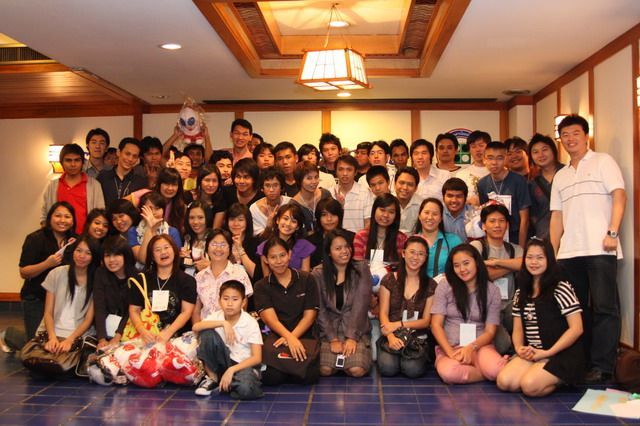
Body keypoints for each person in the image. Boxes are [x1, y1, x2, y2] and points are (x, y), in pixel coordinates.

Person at [549, 114, 626, 384]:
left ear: (586, 135)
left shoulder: (603, 161)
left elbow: (619, 195)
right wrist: (553, 251)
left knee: (605, 308)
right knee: (576, 310)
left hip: (601, 248)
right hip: (569, 253)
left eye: (575, 133)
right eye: (565, 135)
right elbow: (556, 216)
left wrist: (612, 232)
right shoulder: (561, 175)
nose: (570, 139)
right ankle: (580, 363)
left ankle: (602, 366)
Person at [497, 238, 584, 397]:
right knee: (505, 382)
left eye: (540, 258)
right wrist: (519, 348)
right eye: (529, 257)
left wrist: (548, 352)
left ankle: (562, 379)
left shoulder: (561, 288)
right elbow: (518, 329)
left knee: (529, 386)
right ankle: (537, 371)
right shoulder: (521, 292)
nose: (534, 262)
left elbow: (577, 329)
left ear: (549, 260)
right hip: (534, 352)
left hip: (560, 353)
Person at [23, 236, 100, 376]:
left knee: (64, 363)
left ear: (93, 257)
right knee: (28, 356)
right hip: (52, 331)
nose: (82, 256)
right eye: (79, 250)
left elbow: (88, 320)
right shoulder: (57, 273)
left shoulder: (97, 280)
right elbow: (48, 312)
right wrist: (52, 338)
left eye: (88, 253)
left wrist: (70, 340)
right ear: (73, 251)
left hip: (77, 336)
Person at [431, 244, 507, 384]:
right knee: (449, 373)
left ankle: (485, 370)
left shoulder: (492, 291)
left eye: (466, 263)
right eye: (456, 265)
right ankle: (483, 373)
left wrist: (471, 348)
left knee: (497, 371)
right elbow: (436, 325)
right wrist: (450, 353)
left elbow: (490, 331)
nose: (462, 269)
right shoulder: (445, 286)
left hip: (480, 347)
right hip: (451, 347)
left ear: (476, 262)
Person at [253, 237, 320, 385]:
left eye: (282, 255)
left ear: (289, 254)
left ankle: (288, 367)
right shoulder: (261, 286)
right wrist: (289, 338)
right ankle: (288, 367)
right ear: (265, 259)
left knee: (309, 376)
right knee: (272, 378)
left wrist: (292, 337)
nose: (279, 261)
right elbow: (270, 319)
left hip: (304, 334)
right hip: (276, 336)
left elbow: (309, 317)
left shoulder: (307, 279)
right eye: (273, 257)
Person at [312, 230, 373, 377]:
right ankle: (341, 362)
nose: (344, 251)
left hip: (356, 329)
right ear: (329, 252)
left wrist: (351, 337)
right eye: (338, 248)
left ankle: (348, 361)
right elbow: (320, 310)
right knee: (325, 370)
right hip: (329, 331)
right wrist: (332, 338)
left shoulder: (361, 268)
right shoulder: (318, 273)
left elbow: (361, 305)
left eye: (346, 246)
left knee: (357, 370)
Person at [377, 236, 436, 378]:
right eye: (412, 252)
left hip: (417, 338)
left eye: (421, 254)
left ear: (426, 258)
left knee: (412, 370)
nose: (415, 257)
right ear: (403, 253)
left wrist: (398, 324)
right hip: (391, 335)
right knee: (388, 368)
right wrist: (390, 336)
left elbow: (426, 321)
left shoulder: (431, 285)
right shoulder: (389, 279)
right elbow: (383, 313)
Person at [193, 281, 263, 399]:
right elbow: (195, 327)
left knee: (246, 390)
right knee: (206, 333)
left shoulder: (250, 322)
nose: (229, 304)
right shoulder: (217, 316)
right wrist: (223, 323)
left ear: (243, 302)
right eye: (225, 299)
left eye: (235, 299)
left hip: (241, 365)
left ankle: (232, 382)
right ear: (219, 300)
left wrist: (232, 369)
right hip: (222, 361)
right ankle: (213, 379)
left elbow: (257, 358)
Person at [18, 202, 77, 342]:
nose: (62, 220)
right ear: (50, 218)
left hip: (63, 301)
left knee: (56, 340)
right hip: (36, 298)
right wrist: (47, 264)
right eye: (58, 216)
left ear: (73, 220)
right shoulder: (35, 238)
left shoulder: (75, 241)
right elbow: (24, 272)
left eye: (67, 216)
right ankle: (11, 336)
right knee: (36, 341)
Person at [470, 203, 523, 353]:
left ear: (507, 225)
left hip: (511, 304)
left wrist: (496, 263)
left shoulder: (515, 248)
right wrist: (511, 265)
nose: (497, 225)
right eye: (492, 221)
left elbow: (524, 264)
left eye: (501, 221)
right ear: (484, 226)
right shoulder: (477, 246)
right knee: (502, 345)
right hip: (486, 305)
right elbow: (483, 274)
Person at [129, 235, 197, 343]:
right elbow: (134, 310)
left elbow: (186, 312)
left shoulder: (187, 281)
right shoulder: (141, 279)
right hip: (147, 337)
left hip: (177, 338)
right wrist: (142, 331)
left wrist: (168, 332)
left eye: (166, 247)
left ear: (174, 250)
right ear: (152, 256)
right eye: (158, 250)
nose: (163, 252)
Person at [42, 143, 105, 234]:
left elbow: (100, 216)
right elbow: (45, 215)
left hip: (85, 238)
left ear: (82, 162)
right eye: (68, 160)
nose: (73, 164)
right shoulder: (53, 186)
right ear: (61, 162)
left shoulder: (94, 185)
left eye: (77, 160)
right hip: (58, 238)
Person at [477, 141, 531, 247]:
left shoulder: (518, 181)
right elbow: (485, 216)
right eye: (490, 158)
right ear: (484, 160)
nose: (494, 162)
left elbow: (524, 219)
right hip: (494, 238)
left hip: (515, 236)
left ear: (506, 159)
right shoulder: (482, 184)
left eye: (499, 158)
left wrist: (521, 248)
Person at [193, 229, 253, 324]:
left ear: (230, 249)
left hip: (232, 329)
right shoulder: (200, 276)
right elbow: (196, 311)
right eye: (214, 244)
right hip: (205, 328)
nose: (218, 249)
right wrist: (199, 330)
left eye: (223, 245)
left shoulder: (239, 273)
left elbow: (243, 309)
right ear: (207, 248)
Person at [93, 236, 136, 349]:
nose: (111, 260)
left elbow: (131, 310)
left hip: (128, 330)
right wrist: (101, 338)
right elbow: (99, 307)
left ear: (126, 255)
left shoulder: (136, 276)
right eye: (107, 255)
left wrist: (118, 335)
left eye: (116, 254)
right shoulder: (100, 273)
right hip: (104, 330)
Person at [258, 204, 315, 274]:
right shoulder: (264, 246)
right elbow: (266, 276)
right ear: (277, 220)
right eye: (285, 218)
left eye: (294, 221)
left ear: (297, 227)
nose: (288, 224)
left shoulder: (304, 246)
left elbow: (306, 276)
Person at [414, 198, 463, 278]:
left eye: (435, 214)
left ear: (441, 218)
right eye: (426, 212)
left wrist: (451, 276)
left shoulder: (454, 240)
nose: (430, 217)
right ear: (419, 216)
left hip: (447, 284)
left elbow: (462, 267)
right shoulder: (412, 241)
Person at [128, 192, 182, 265]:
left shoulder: (172, 231)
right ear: (141, 210)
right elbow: (143, 260)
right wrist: (150, 227)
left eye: (157, 208)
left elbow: (175, 259)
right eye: (149, 209)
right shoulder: (134, 231)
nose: (153, 212)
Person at [353, 193, 407, 266]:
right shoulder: (361, 237)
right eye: (382, 210)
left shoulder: (401, 239)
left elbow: (403, 267)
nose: (386, 215)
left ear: (396, 216)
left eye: (391, 212)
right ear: (374, 210)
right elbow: (357, 267)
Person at [528, 134, 564, 239]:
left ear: (553, 150)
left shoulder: (567, 173)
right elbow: (533, 214)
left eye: (545, 149)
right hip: (544, 236)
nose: (541, 155)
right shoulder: (533, 183)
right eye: (535, 152)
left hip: (568, 235)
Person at [98, 137, 147, 208]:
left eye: (134, 156)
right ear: (118, 152)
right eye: (127, 154)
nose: (130, 159)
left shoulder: (140, 182)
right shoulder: (103, 177)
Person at [306, 197, 355, 269]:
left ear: (339, 216)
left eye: (333, 214)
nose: (329, 219)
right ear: (318, 218)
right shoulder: (309, 242)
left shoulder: (352, 238)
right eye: (324, 215)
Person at [331, 155, 372, 233]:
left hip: (357, 239)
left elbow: (368, 223)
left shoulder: (365, 193)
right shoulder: (330, 192)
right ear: (335, 171)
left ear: (355, 172)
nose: (345, 173)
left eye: (349, 169)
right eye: (341, 169)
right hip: (335, 239)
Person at [290, 162, 332, 234]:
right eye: (309, 178)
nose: (314, 181)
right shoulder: (294, 205)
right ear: (299, 181)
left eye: (316, 177)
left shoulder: (325, 194)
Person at [225, 203, 262, 281]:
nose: (236, 224)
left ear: (247, 221)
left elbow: (255, 275)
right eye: (232, 219)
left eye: (240, 220)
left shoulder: (256, 243)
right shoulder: (223, 241)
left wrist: (240, 249)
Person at [250, 167, 291, 236]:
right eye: (267, 185)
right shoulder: (254, 209)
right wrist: (269, 227)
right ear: (262, 188)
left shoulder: (290, 203)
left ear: (281, 187)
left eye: (275, 185)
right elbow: (259, 239)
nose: (271, 190)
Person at [457, 130, 490, 206]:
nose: (477, 149)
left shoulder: (496, 172)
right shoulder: (461, 175)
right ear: (469, 150)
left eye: (481, 145)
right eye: (473, 146)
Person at [190, 164, 226, 229]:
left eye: (214, 181)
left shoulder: (220, 200)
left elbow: (215, 230)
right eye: (207, 180)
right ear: (200, 181)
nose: (211, 185)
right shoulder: (188, 196)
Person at [181, 201, 212, 277]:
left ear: (207, 218)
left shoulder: (215, 238)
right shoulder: (185, 238)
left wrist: (211, 266)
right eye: (191, 218)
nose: (195, 222)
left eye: (200, 217)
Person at [156, 167, 186, 235]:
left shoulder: (181, 207)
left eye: (174, 185)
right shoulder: (150, 203)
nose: (170, 188)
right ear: (159, 184)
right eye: (166, 184)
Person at [442, 178, 472, 242]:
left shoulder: (474, 215)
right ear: (443, 197)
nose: (454, 200)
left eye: (459, 196)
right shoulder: (437, 214)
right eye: (450, 196)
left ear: (465, 198)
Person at [395, 167, 423, 235]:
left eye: (410, 184)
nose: (405, 187)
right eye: (401, 183)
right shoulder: (387, 202)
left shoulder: (422, 205)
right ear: (394, 184)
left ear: (416, 188)